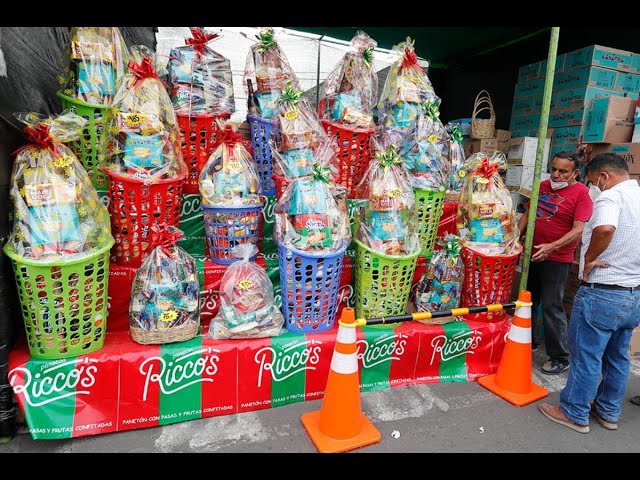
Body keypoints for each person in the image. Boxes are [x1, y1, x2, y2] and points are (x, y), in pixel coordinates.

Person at [539, 153, 640, 433]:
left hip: (604, 292)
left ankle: (574, 412)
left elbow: (605, 228)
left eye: (595, 182)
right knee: (618, 357)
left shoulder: (611, 197)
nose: (595, 187)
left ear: (604, 177)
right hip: (633, 294)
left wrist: (590, 259)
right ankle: (608, 412)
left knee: (587, 356)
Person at [518, 151, 593, 375]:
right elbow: (527, 215)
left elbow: (578, 229)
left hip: (557, 259)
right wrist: (514, 239)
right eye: (554, 169)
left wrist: (552, 247)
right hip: (532, 254)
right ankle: (527, 342)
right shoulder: (541, 186)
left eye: (563, 171)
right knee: (527, 301)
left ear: (575, 173)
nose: (556, 175)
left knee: (551, 306)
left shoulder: (582, 194)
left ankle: (560, 357)